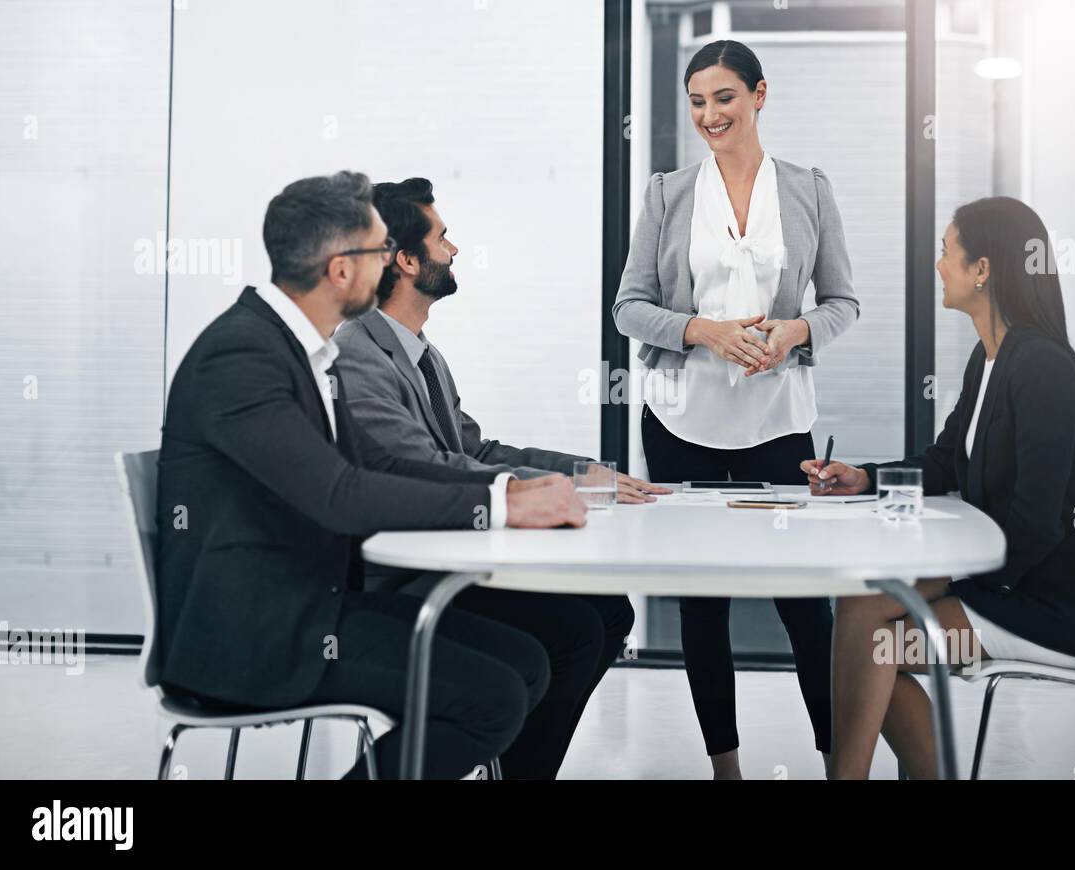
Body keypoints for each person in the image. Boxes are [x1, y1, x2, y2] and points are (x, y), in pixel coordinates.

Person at [155, 170, 589, 779]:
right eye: (380, 250)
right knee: (490, 697)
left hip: (314, 605)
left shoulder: (307, 351)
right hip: (255, 636)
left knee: (528, 662)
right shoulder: (244, 354)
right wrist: (505, 508)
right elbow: (339, 495)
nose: (390, 263)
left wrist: (507, 489)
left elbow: (378, 465)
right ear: (339, 269)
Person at [803, 196, 1075, 780]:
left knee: (869, 645)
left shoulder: (1043, 367)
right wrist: (864, 477)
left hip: (1055, 608)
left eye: (947, 251)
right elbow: (945, 462)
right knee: (861, 612)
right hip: (1013, 583)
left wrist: (949, 576)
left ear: (983, 270)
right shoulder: (988, 358)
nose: (938, 264)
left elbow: (1036, 525)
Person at [334, 176, 667, 778]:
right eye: (443, 237)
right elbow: (428, 470)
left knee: (609, 611)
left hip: (447, 553)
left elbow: (475, 448)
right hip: (398, 578)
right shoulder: (358, 353)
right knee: (571, 631)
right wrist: (542, 492)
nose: (455, 249)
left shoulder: (421, 353)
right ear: (406, 260)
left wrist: (578, 473)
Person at [612, 39, 859, 779]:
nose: (709, 114)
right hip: (682, 423)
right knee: (702, 603)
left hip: (778, 423)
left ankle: (835, 762)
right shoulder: (667, 194)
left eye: (723, 97)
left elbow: (844, 303)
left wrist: (797, 330)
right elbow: (628, 308)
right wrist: (701, 330)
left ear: (758, 94)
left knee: (804, 607)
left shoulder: (810, 189)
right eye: (696, 101)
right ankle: (727, 770)